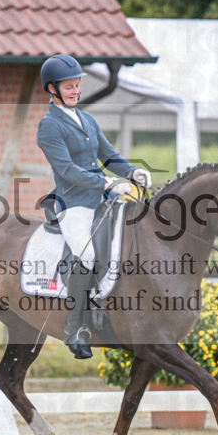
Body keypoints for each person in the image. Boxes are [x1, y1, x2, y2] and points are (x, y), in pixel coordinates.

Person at [36, 54, 151, 359]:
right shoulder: (48, 126)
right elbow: (67, 170)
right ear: (52, 89)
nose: (75, 91)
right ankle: (74, 328)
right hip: (74, 203)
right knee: (85, 255)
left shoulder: (86, 119)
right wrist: (107, 184)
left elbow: (109, 156)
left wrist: (132, 172)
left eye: (77, 86)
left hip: (104, 200)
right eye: (69, 87)